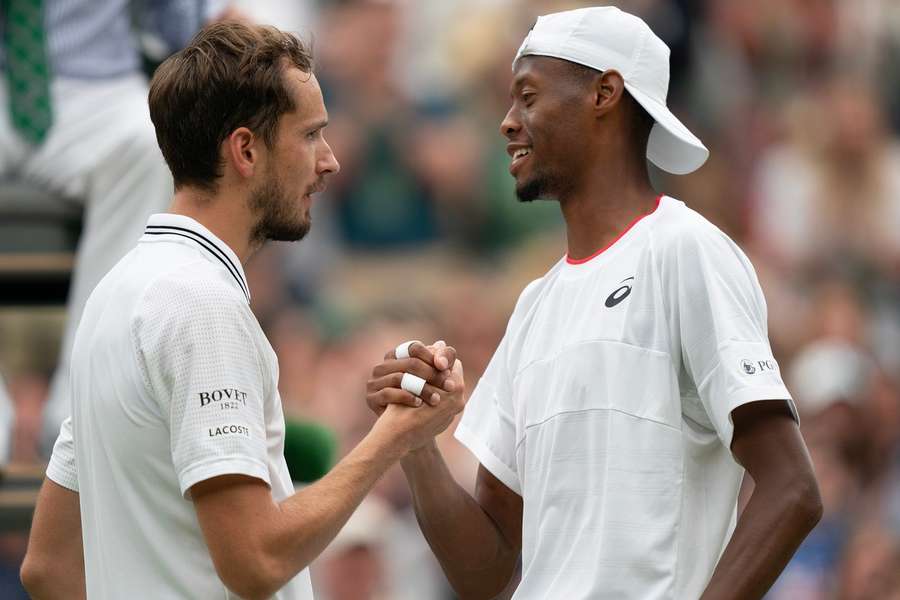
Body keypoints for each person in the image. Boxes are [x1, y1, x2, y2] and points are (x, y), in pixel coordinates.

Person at [367, 7, 822, 599]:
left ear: (605, 93)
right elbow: (487, 575)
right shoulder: (534, 306)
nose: (507, 122)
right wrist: (416, 444)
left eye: (527, 96)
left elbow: (792, 489)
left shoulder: (685, 251)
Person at [20, 21, 464, 599]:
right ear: (246, 150)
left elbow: (47, 567)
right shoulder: (201, 305)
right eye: (310, 136)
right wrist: (393, 437)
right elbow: (255, 559)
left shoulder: (113, 297)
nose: (328, 162)